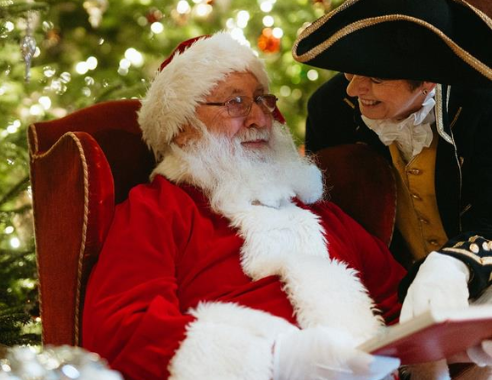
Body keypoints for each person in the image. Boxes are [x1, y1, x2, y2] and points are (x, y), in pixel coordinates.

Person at [81, 32, 406, 380]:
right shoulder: (159, 208)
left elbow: (399, 302)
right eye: (235, 102)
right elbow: (120, 329)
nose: (261, 119)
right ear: (182, 130)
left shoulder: (318, 212)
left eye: (262, 100)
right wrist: (275, 360)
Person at [293, 0, 492, 377]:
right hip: (394, 298)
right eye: (351, 71)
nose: (354, 89)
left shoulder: (483, 105)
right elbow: (333, 222)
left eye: (376, 78)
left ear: (429, 78)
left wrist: (456, 264)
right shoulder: (330, 109)